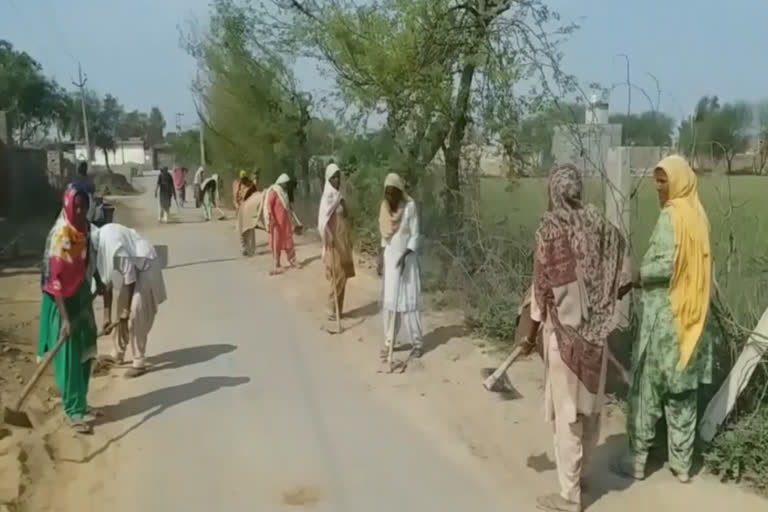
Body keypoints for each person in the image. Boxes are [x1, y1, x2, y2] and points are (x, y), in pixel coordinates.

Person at [524, 164, 628, 512]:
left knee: (567, 414)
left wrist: (532, 326)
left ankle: (569, 496)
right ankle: (581, 474)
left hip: (564, 338)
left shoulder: (550, 228)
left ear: (553, 190)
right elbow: (623, 263)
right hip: (597, 335)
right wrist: (606, 299)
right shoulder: (601, 224)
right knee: (590, 409)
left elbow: (541, 285)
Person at [614, 155, 713, 484]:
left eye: (663, 180)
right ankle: (682, 465)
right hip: (693, 320)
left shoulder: (673, 216)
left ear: (678, 181)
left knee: (646, 391)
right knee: (683, 394)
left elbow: (666, 264)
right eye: (656, 180)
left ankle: (637, 461)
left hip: (665, 321)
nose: (658, 187)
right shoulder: (699, 215)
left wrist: (636, 276)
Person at [38, 185, 101, 434]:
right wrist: (65, 319)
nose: (81, 210)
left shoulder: (83, 228)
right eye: (77, 205)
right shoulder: (62, 235)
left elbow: (87, 259)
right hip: (60, 299)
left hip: (81, 292)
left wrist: (99, 280)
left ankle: (81, 402)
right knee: (70, 355)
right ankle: (72, 410)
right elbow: (55, 281)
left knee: (87, 348)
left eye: (84, 205)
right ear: (67, 204)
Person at [94, 223, 167, 378]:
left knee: (135, 312)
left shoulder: (112, 246)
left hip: (145, 264)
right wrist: (107, 317)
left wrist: (125, 312)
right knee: (120, 310)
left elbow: (130, 277)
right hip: (133, 268)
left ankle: (139, 361)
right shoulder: (96, 249)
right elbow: (106, 282)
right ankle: (117, 353)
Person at [377, 173, 423, 358]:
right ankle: (389, 342)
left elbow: (415, 235)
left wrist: (406, 254)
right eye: (386, 194)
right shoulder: (384, 208)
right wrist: (380, 258)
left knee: (409, 303)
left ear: (399, 192)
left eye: (393, 193)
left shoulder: (410, 207)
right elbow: (384, 237)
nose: (390, 197)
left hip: (407, 263)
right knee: (391, 304)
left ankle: (417, 343)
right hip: (390, 262)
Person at [318, 163, 355, 320]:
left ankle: (338, 309)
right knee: (338, 274)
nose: (337, 180)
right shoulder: (328, 196)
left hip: (343, 240)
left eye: (338, 177)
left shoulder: (339, 196)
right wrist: (328, 236)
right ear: (328, 179)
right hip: (334, 242)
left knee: (344, 274)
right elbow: (323, 221)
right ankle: (331, 307)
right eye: (333, 177)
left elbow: (346, 215)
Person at [264, 173, 303, 274]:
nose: (286, 185)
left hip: (285, 222)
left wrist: (295, 219)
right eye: (285, 183)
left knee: (289, 241)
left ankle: (293, 260)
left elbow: (288, 206)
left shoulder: (284, 193)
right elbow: (269, 205)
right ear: (281, 183)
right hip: (276, 223)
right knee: (276, 243)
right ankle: (276, 264)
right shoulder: (274, 191)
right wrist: (271, 218)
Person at [237, 189, 265, 256]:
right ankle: (249, 250)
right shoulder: (259, 196)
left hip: (244, 209)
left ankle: (245, 248)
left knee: (244, 231)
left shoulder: (255, 195)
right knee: (249, 232)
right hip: (247, 212)